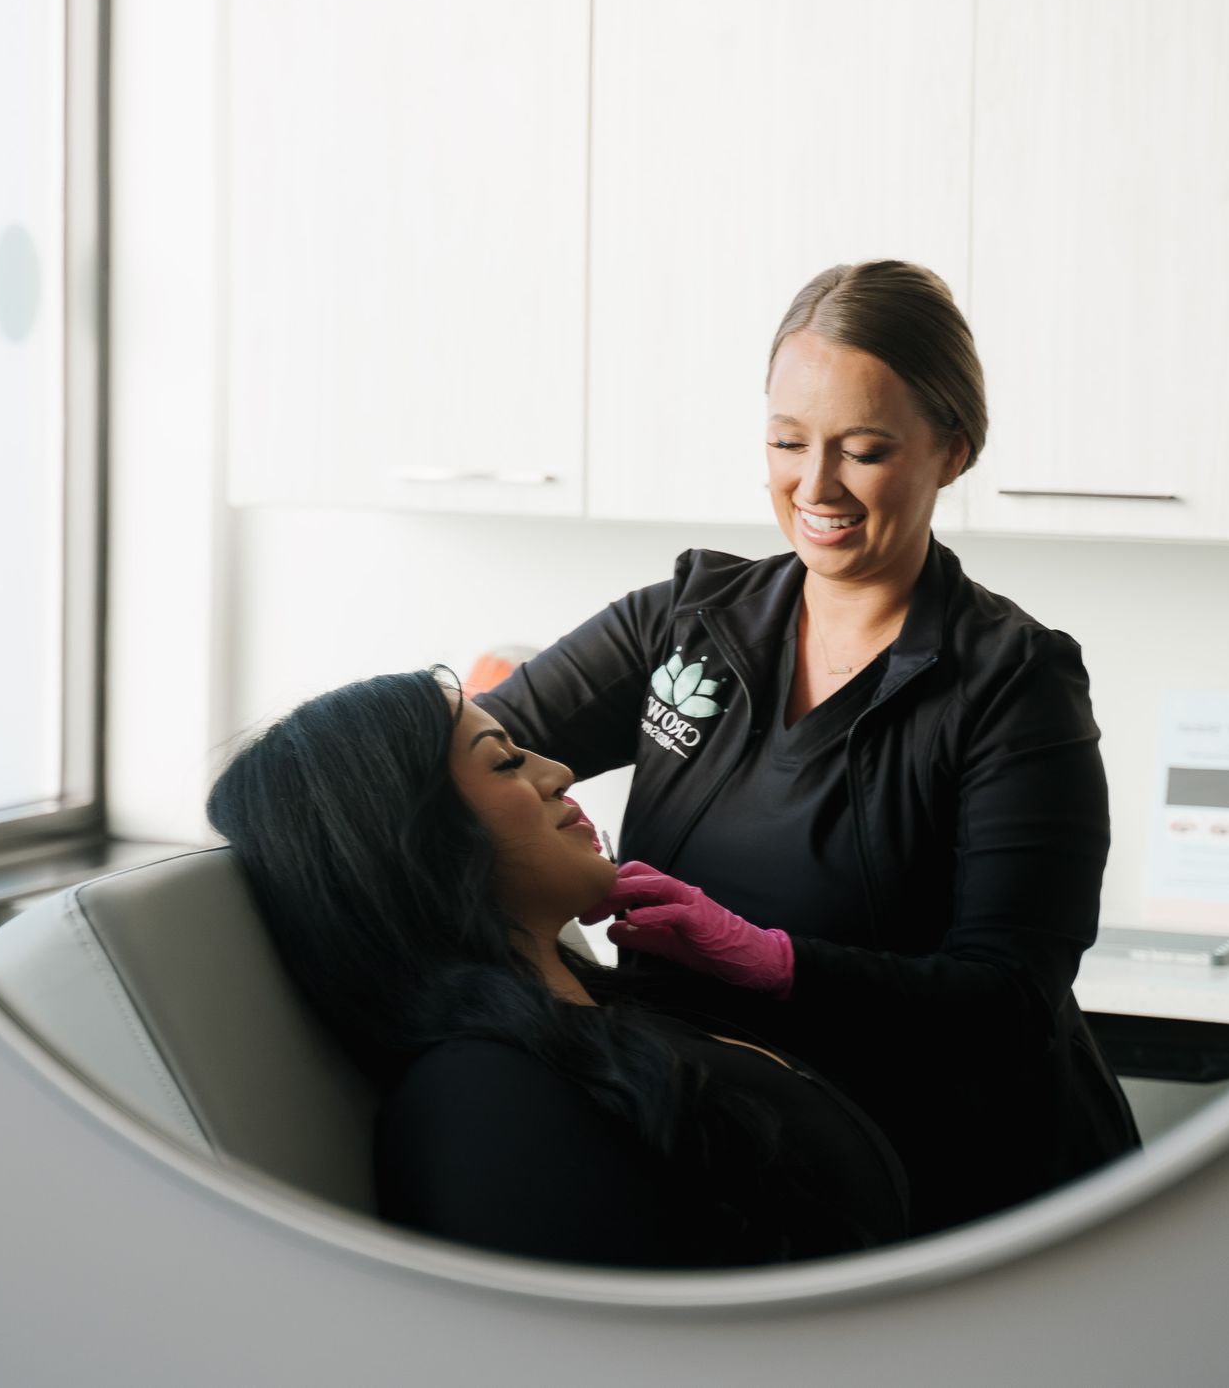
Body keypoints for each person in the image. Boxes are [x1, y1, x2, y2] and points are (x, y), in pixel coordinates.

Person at [476, 261, 1141, 1234]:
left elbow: (1009, 1001)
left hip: (957, 1190)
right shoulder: (684, 623)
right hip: (746, 1154)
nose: (815, 485)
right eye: (788, 441)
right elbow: (462, 758)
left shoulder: (1011, 684)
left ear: (951, 452)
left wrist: (770, 961)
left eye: (864, 450)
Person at [205, 669, 912, 1268]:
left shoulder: (599, 1021)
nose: (560, 772)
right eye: (505, 762)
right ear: (420, 841)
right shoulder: (487, 1100)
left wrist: (774, 968)